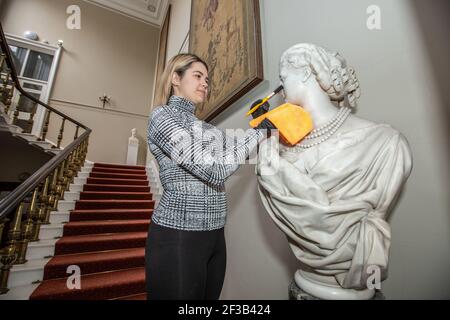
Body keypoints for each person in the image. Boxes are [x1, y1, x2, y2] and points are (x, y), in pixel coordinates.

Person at [256, 43, 413, 300]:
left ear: (306, 73)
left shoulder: (386, 144)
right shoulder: (273, 154)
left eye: (283, 78)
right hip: (308, 281)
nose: (281, 89)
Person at [146, 53, 270, 300]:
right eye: (198, 76)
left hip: (214, 234)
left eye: (207, 78)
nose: (206, 83)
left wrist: (258, 122)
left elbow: (238, 151)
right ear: (175, 78)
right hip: (177, 236)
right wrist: (259, 132)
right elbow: (215, 169)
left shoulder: (203, 127)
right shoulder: (161, 117)